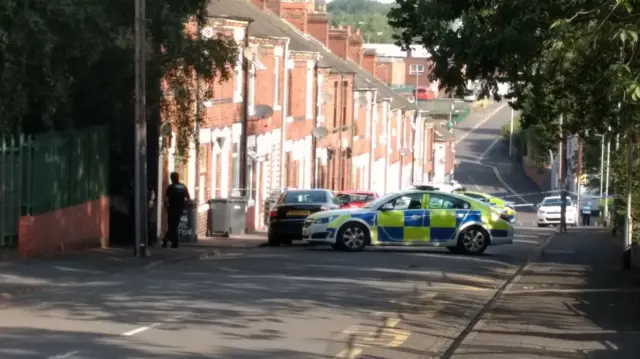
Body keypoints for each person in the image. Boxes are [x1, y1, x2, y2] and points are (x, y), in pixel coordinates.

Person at [164, 172, 191, 248]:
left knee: (171, 226)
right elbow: (188, 198)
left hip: (171, 208)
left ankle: (171, 242)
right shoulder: (183, 187)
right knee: (174, 226)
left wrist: (166, 207)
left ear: (172, 178)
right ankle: (170, 242)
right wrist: (186, 206)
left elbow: (166, 199)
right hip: (179, 209)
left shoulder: (170, 187)